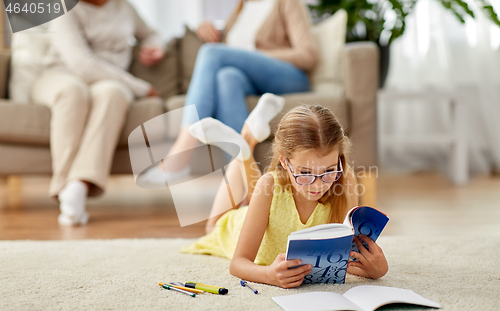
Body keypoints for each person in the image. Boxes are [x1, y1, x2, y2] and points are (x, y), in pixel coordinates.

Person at [180, 101, 388, 288]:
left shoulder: (345, 178)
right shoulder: (269, 184)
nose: (317, 184)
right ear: (283, 161)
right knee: (213, 226)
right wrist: (267, 275)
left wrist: (378, 269)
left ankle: (247, 142)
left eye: (328, 171)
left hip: (269, 204)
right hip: (239, 226)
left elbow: (350, 251)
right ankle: (243, 149)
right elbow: (237, 264)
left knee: (262, 195)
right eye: (305, 173)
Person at [139, 0, 318, 185]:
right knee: (226, 78)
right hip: (248, 80)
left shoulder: (286, 3)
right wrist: (207, 29)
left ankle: (180, 154)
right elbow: (229, 51)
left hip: (289, 77)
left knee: (210, 52)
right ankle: (240, 180)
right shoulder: (241, 7)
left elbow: (308, 55)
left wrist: (252, 57)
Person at [31, 0, 165, 226]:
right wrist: (140, 87)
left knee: (113, 94)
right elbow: (81, 62)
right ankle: (63, 186)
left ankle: (78, 186)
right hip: (61, 75)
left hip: (108, 81)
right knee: (73, 93)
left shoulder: (124, 7)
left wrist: (154, 46)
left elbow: (151, 33)